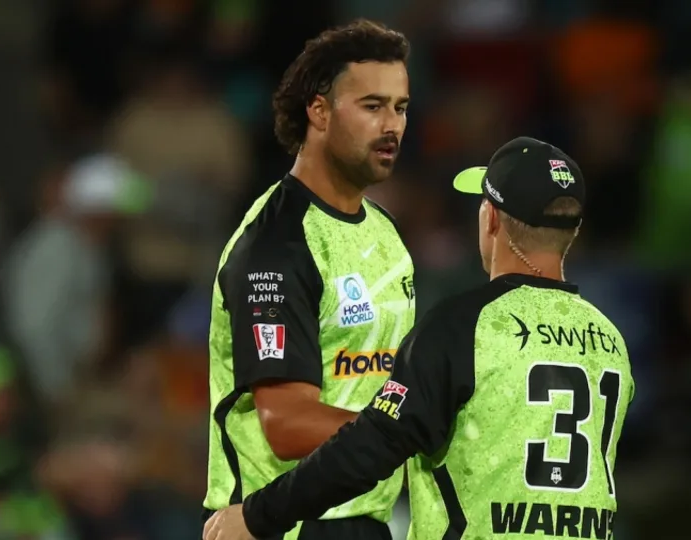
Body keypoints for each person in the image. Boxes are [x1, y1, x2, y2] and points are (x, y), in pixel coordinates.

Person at [204, 137, 636, 540]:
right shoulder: (610, 341)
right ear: (571, 231)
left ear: (490, 218)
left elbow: (370, 446)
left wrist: (257, 515)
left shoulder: (464, 326)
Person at [201, 19, 416, 540]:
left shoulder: (386, 234)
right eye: (372, 106)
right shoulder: (275, 246)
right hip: (279, 524)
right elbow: (288, 424)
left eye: (401, 107)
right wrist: (417, 430)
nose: (392, 125)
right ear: (318, 111)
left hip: (366, 522)